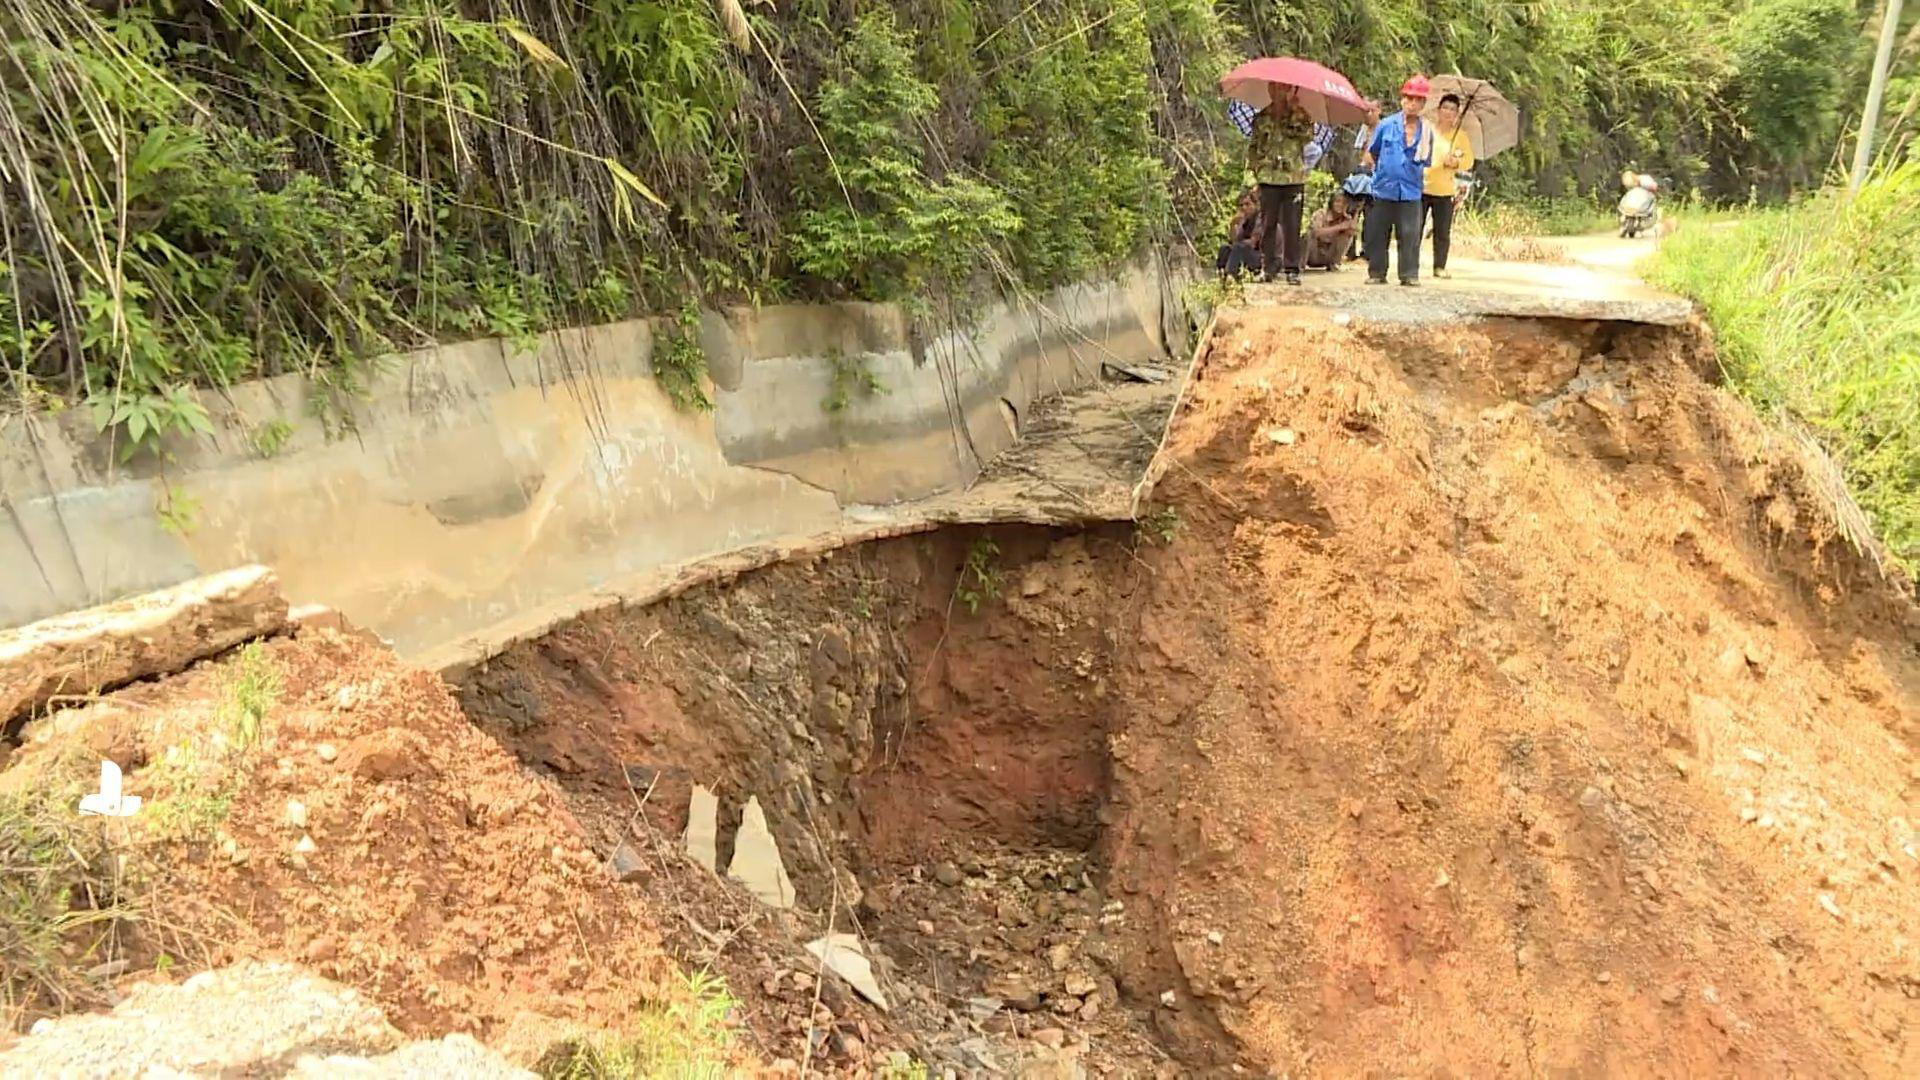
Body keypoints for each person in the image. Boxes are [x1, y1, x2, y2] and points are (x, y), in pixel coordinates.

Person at [1361, 76, 1433, 286]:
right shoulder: (1386, 125)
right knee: (1378, 232)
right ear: (1402, 99)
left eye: (1418, 100)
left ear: (1423, 104)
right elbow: (1372, 153)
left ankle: (1409, 274)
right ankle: (1377, 272)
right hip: (1384, 188)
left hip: (1410, 190)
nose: (1412, 103)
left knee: (1410, 234)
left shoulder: (1426, 130)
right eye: (1409, 98)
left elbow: (1426, 159)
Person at [1245, 85, 1317, 285]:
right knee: (1267, 223)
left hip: (1293, 177)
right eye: (1275, 89)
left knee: (1292, 224)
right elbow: (1254, 146)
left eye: (1283, 89)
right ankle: (1268, 267)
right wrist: (1256, 169)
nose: (1279, 93)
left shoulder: (1301, 115)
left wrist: (1294, 113)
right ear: (1269, 90)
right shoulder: (1262, 117)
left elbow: (1308, 136)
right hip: (1268, 178)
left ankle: (1292, 269)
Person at [1421, 92, 1475, 279]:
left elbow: (1468, 160)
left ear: (1457, 114)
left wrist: (1455, 163)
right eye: (1445, 108)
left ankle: (1439, 266)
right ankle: (1410, 265)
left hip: (1444, 190)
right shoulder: (1427, 130)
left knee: (1442, 231)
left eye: (1453, 109)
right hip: (1423, 186)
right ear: (1438, 110)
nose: (1448, 112)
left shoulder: (1460, 136)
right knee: (1414, 228)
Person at [1215, 188, 1262, 278]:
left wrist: (1238, 245)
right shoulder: (1244, 220)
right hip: (1247, 254)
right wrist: (1233, 225)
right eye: (1241, 205)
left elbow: (1253, 243)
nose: (1244, 208)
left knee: (1239, 247)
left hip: (1262, 258)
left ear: (1255, 205)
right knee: (1225, 249)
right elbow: (1234, 241)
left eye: (1247, 204)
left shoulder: (1261, 219)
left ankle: (1230, 275)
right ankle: (1221, 275)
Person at [1306, 192, 1358, 271]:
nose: (1340, 205)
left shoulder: (1345, 218)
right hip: (1314, 254)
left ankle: (1334, 263)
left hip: (1329, 255)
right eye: (1337, 202)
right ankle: (1300, 265)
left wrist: (1356, 212)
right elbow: (1316, 232)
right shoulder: (1321, 214)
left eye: (1343, 203)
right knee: (1308, 234)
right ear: (1331, 203)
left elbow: (1353, 231)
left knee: (1347, 233)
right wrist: (1339, 227)